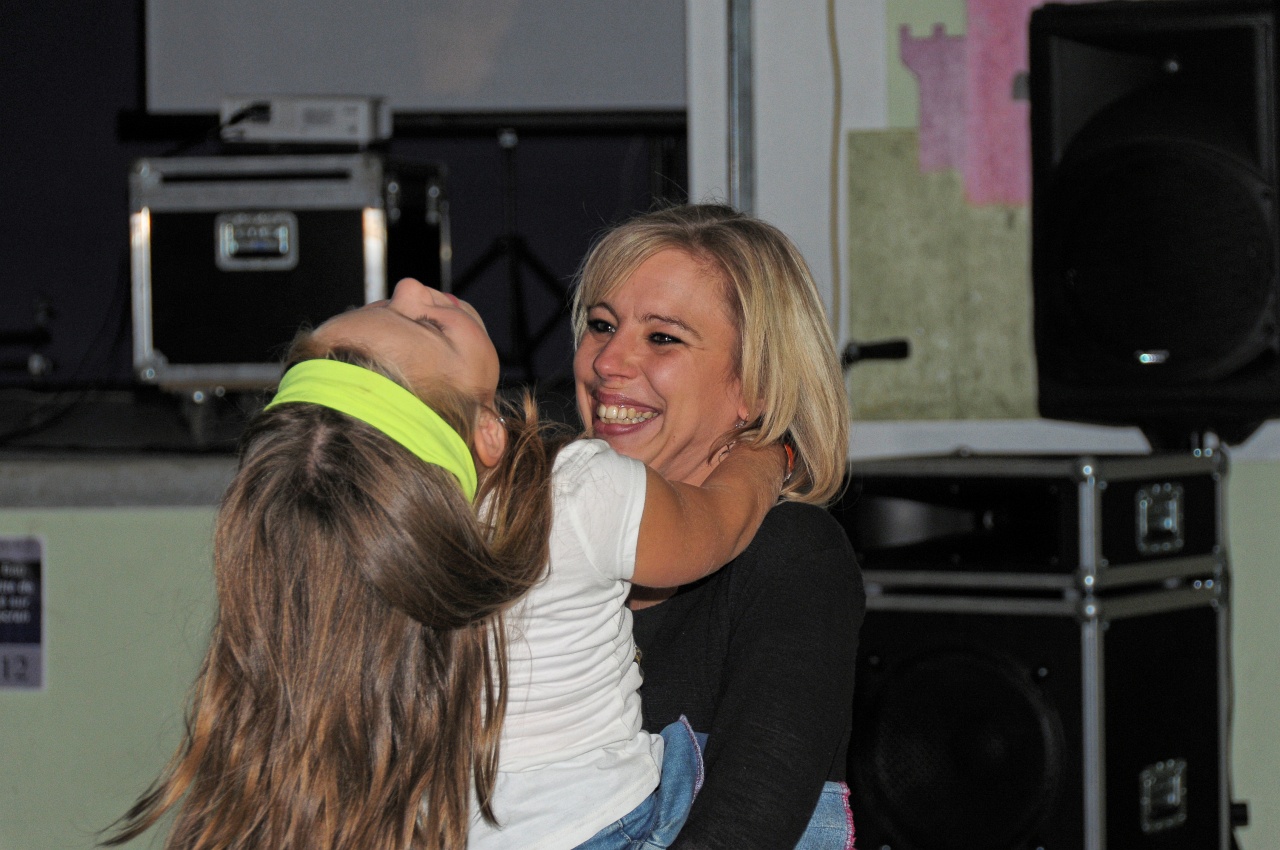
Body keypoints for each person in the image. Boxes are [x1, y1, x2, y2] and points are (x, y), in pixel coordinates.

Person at [104, 278, 789, 850]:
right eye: (425, 324)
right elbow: (719, 523)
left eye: (381, 301)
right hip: (610, 829)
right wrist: (766, 452)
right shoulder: (574, 493)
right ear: (488, 434)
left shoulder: (339, 561)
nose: (411, 286)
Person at [571, 204, 866, 850]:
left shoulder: (793, 555)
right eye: (601, 325)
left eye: (662, 338)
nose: (608, 361)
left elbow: (749, 822)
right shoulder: (549, 535)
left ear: (754, 386)